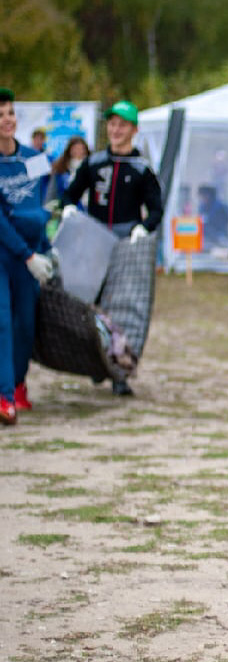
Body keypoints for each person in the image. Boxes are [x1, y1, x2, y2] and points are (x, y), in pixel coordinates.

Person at [61, 100, 163, 395]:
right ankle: (94, 363)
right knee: (88, 305)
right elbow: (70, 195)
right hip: (93, 241)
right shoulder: (93, 164)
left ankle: (120, 372)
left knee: (123, 309)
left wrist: (144, 228)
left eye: (122, 124)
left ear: (133, 129)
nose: (116, 130)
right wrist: (69, 210)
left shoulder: (142, 168)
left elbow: (156, 209)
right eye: (112, 124)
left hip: (124, 245)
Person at [0, 88, 55, 424]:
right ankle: (4, 396)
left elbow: (39, 205)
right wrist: (25, 254)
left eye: (8, 113)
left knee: (26, 323)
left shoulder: (34, 157)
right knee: (3, 321)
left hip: (29, 254)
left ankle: (18, 385)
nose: (6, 120)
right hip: (5, 253)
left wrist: (46, 250)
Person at [45, 135, 90, 210]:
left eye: (81, 149)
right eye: (75, 148)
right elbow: (51, 192)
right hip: (66, 210)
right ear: (69, 150)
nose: (78, 151)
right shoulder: (60, 169)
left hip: (87, 210)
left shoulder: (91, 168)